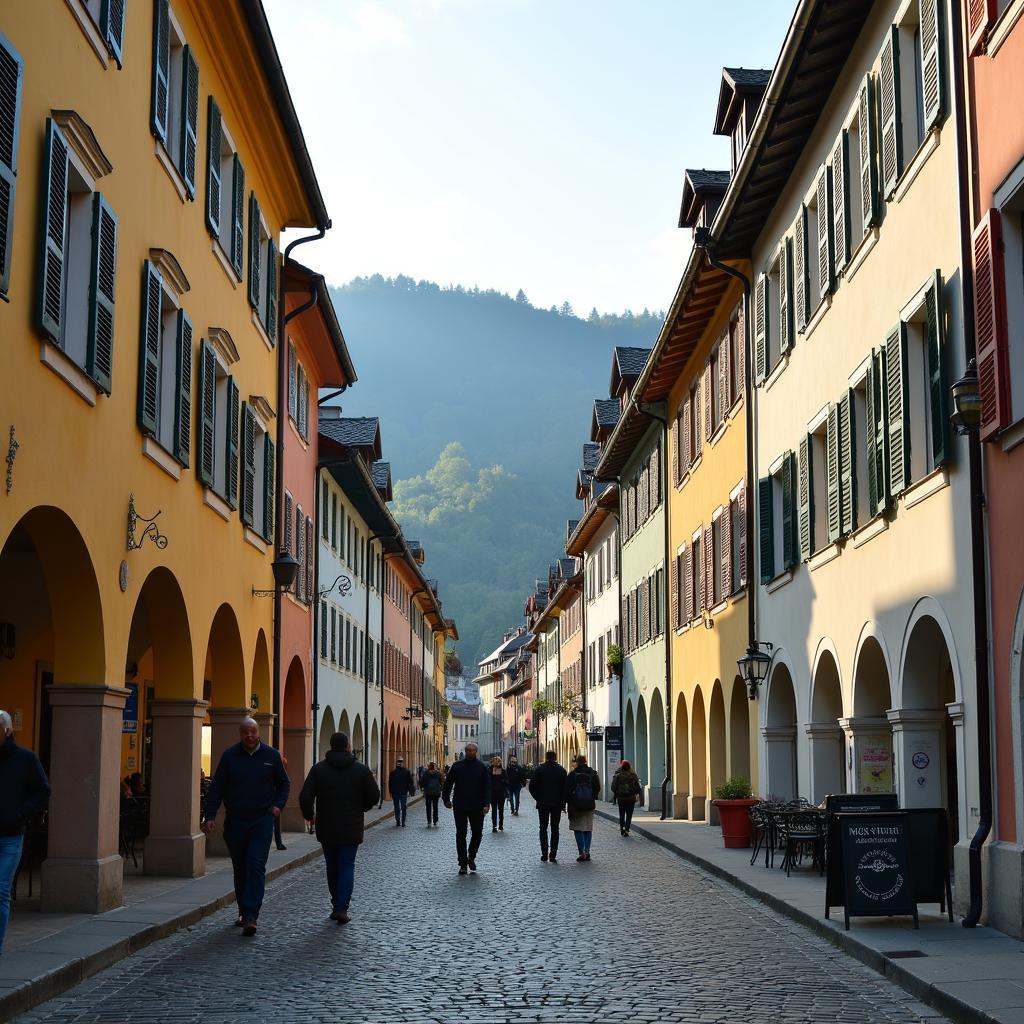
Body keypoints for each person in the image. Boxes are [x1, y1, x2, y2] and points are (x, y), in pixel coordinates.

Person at [203, 718, 289, 937]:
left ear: (258, 733)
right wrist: (210, 816)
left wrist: (278, 805)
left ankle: (251, 915)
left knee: (255, 864)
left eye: (252, 732)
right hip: (236, 820)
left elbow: (284, 783)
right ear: (240, 734)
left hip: (262, 819)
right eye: (244, 733)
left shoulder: (271, 755)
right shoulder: (230, 756)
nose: (249, 736)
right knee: (240, 867)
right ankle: (243, 909)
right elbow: (217, 788)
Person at [299, 731, 380, 924]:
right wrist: (363, 807)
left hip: (326, 824)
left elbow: (305, 796)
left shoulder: (319, 769)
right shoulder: (361, 769)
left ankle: (336, 902)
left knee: (332, 865)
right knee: (346, 865)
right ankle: (341, 907)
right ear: (348, 746)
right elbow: (374, 795)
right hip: (351, 824)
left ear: (330, 746)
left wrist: (309, 815)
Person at [0, 710, 49, 957]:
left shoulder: (26, 759)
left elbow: (42, 791)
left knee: (0, 889)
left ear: (7, 730)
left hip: (10, 834)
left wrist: (20, 814)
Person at [441, 741, 490, 875]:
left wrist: (487, 803)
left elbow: (487, 786)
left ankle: (471, 856)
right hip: (460, 805)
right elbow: (448, 784)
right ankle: (462, 863)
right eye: (468, 750)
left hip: (477, 806)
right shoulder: (457, 766)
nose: (470, 752)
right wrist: (446, 799)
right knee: (461, 834)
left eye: (472, 750)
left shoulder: (481, 767)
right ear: (465, 751)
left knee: (477, 833)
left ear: (476, 752)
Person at [528, 750, 567, 864]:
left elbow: (532, 787)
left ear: (546, 757)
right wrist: (563, 803)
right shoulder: (562, 771)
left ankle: (544, 852)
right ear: (556, 757)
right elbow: (565, 789)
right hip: (557, 804)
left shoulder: (539, 770)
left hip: (543, 804)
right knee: (555, 828)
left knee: (543, 828)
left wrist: (538, 798)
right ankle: (553, 853)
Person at [565, 754, 600, 862]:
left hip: (576, 806)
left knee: (578, 829)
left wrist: (567, 802)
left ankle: (582, 852)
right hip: (589, 805)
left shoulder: (572, 774)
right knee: (588, 829)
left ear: (577, 762)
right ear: (586, 761)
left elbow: (567, 790)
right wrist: (592, 797)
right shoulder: (593, 773)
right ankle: (587, 851)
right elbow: (597, 788)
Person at [611, 759, 642, 836]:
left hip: (621, 798)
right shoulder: (633, 775)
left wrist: (617, 793)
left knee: (621, 814)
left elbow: (613, 787)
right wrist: (637, 793)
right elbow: (637, 787)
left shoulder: (618, 775)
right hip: (630, 798)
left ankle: (622, 829)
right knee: (629, 815)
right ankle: (627, 829)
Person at [388, 758, 414, 826]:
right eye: (399, 763)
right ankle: (398, 821)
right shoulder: (393, 772)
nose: (400, 764)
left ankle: (403, 822)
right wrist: (390, 791)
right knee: (397, 808)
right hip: (396, 793)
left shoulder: (406, 772)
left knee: (403, 807)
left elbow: (410, 782)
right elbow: (390, 782)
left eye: (401, 762)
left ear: (403, 764)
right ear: (396, 764)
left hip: (403, 793)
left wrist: (409, 790)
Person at [488, 756, 509, 832]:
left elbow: (507, 781)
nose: (497, 763)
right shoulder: (489, 770)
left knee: (501, 810)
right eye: (496, 761)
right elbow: (487, 781)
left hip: (501, 793)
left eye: (499, 761)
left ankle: (501, 824)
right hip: (493, 793)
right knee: (493, 810)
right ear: (493, 762)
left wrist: (502, 781)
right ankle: (494, 826)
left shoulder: (503, 771)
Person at [274, 753, 289, 851]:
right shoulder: (278, 762)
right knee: (276, 822)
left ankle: (279, 842)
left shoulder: (281, 762)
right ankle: (279, 843)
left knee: (276, 822)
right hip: (273, 797)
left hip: (275, 798)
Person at [421, 761, 443, 826]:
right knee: (435, 807)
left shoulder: (426, 773)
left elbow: (422, 781)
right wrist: (440, 789)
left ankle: (429, 821)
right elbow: (441, 782)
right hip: (436, 792)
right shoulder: (438, 773)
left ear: (429, 767)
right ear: (434, 767)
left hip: (428, 792)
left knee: (428, 807)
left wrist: (423, 788)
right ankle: (435, 820)